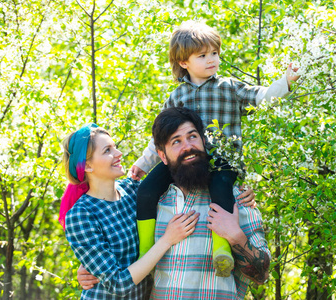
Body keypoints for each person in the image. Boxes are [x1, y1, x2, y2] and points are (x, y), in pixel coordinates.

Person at [131, 21, 299, 276]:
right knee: (145, 190)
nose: (212, 60)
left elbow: (263, 97)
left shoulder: (229, 87)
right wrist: (144, 163)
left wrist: (285, 81)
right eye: (202, 55)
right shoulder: (177, 97)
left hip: (223, 161)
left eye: (214, 53)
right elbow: (161, 138)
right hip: (184, 163)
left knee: (220, 191)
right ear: (184, 62)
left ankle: (221, 251)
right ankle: (145, 251)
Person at [80, 107, 270, 299]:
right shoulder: (149, 203)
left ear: (204, 142)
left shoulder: (234, 200)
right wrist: (88, 268)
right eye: (176, 141)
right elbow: (117, 248)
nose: (187, 146)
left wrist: (235, 235)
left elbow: (262, 275)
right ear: (162, 155)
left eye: (192, 136)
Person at [60, 123, 200, 299]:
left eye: (115, 147)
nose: (118, 154)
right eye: (107, 150)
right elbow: (118, 284)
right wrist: (167, 240)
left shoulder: (133, 190)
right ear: (87, 166)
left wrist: (243, 192)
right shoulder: (81, 215)